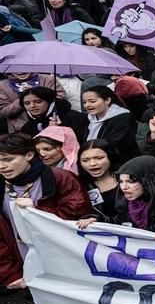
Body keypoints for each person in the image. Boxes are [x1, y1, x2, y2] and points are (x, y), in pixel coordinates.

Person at [0, 133, 91, 290]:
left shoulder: (61, 178)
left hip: (65, 263)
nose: (1, 166)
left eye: (8, 160)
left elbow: (79, 217)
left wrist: (36, 209)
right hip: (25, 265)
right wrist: (10, 273)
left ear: (29, 155)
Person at [81, 85, 139, 164]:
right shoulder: (88, 119)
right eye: (84, 102)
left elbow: (115, 144)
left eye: (92, 101)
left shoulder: (122, 118)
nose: (87, 105)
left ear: (107, 100)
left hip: (119, 163)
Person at [17, 87, 88, 143]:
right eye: (27, 103)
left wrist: (61, 129)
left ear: (50, 101)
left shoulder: (77, 118)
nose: (32, 106)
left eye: (38, 102)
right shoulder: (27, 128)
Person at [77, 140, 121, 222]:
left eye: (99, 158)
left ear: (110, 157)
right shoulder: (78, 184)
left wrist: (101, 220)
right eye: (85, 160)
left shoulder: (127, 180)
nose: (92, 163)